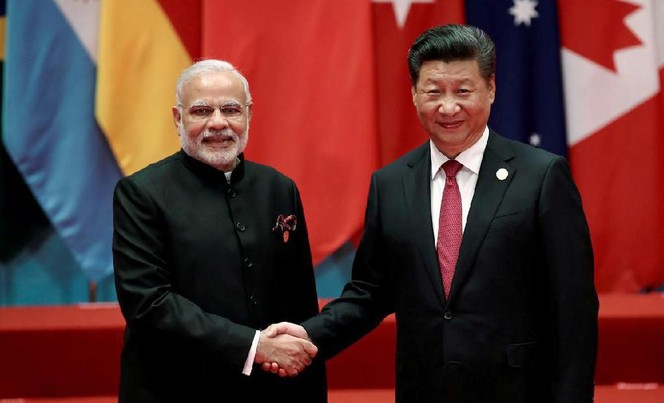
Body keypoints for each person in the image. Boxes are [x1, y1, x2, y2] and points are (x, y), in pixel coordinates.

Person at [266, 24, 599, 402]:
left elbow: (574, 308)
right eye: (434, 92)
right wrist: (309, 335)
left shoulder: (541, 176)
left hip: (518, 390)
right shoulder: (390, 184)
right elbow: (370, 291)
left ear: (490, 89)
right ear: (414, 94)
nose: (448, 107)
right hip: (424, 389)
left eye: (463, 91)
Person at [112, 59, 326, 402]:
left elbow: (301, 299)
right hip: (174, 388)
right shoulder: (142, 193)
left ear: (249, 115)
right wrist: (256, 347)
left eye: (230, 109)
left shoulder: (278, 188)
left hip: (271, 389)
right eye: (201, 111)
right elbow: (148, 302)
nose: (218, 123)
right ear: (178, 118)